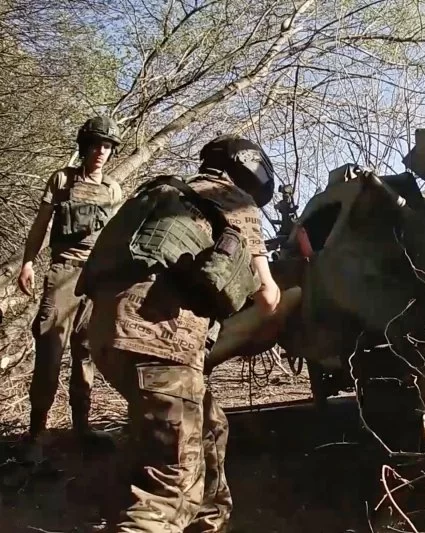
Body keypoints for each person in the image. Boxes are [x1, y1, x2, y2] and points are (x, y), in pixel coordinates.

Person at [79, 134, 281, 532]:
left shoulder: (165, 191)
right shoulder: (234, 200)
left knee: (209, 427)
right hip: (161, 341)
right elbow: (267, 296)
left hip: (107, 335)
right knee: (171, 492)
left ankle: (208, 522)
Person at [17, 115, 123, 456]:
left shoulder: (113, 189)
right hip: (64, 272)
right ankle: (37, 432)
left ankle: (82, 427)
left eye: (107, 146)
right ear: (85, 146)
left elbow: (115, 237)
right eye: (96, 145)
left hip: (97, 277)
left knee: (86, 351)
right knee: (50, 348)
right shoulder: (62, 179)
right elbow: (41, 225)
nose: (101, 152)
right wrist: (28, 262)